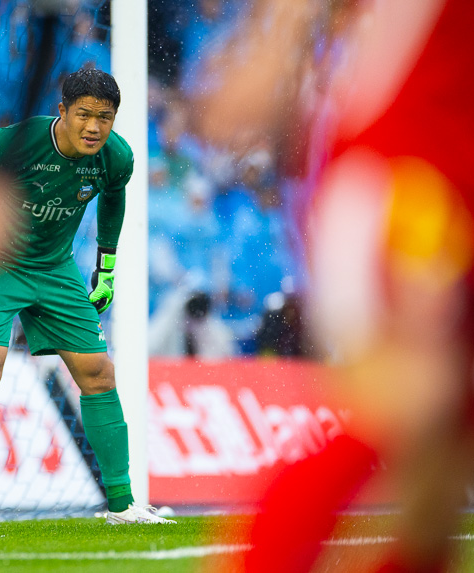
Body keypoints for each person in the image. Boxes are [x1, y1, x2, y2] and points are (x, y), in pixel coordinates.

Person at [200, 0, 474, 571]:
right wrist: (262, 63)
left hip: (451, 182)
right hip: (404, 182)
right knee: (410, 398)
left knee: (439, 475)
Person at [0, 68, 174, 527]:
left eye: (105, 118)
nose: (94, 127)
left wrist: (106, 268)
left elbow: (114, 196)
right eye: (84, 114)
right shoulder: (16, 143)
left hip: (54, 267)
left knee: (98, 373)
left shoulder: (116, 157)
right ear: (62, 110)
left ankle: (122, 506)